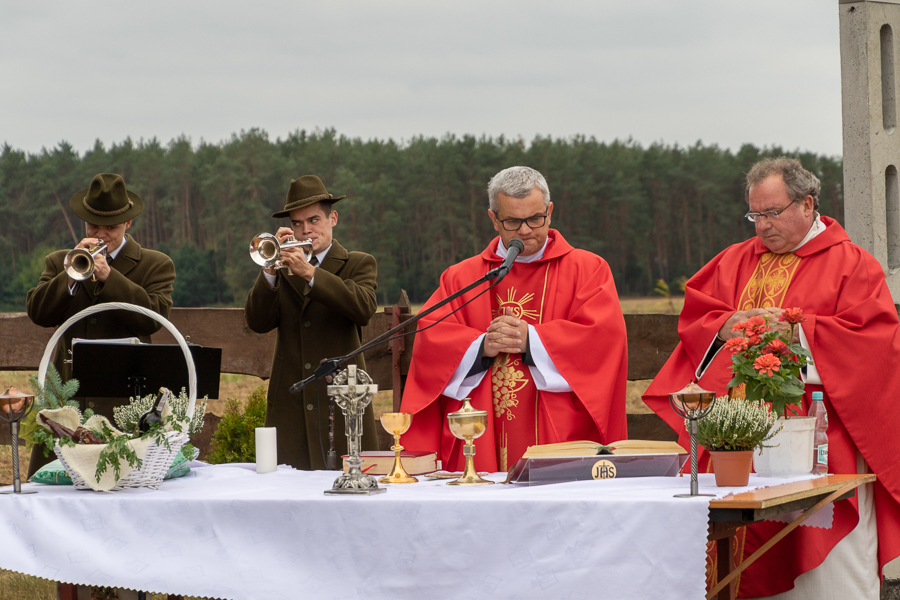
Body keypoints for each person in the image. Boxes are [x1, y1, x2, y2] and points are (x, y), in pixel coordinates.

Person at [643, 157, 900, 599]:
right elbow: (698, 317)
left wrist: (800, 332)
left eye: (773, 213)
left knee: (826, 574)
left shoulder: (852, 264)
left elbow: (875, 344)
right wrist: (724, 326)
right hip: (735, 439)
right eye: (755, 215)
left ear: (807, 204)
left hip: (821, 436)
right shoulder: (734, 261)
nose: (762, 226)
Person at [400, 166, 628, 472]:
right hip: (481, 432)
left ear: (550, 212)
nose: (525, 231)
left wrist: (532, 340)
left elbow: (603, 339)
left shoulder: (588, 270)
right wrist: (481, 346)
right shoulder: (461, 277)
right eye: (512, 222)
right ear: (494, 219)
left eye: (535, 219)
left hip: (560, 431)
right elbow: (432, 339)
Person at [26, 173, 176, 475]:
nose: (101, 234)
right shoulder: (59, 261)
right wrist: (69, 276)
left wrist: (110, 277)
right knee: (55, 485)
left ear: (128, 223)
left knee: (119, 481)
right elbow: (38, 313)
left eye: (111, 227)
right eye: (93, 226)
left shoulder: (155, 264)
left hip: (122, 403)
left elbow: (152, 320)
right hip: (68, 403)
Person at [244, 175, 378, 470]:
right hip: (291, 404)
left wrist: (310, 273)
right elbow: (257, 322)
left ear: (333, 219)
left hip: (342, 401)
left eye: (314, 220)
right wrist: (269, 270)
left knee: (350, 484)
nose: (306, 230)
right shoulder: (282, 268)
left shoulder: (357, 263)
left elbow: (363, 309)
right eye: (297, 223)